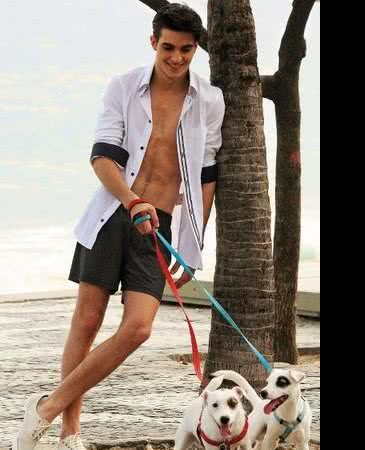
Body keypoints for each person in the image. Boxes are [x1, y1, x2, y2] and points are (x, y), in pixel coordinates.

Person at [14, 4, 224, 450]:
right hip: (114, 211)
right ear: (153, 43)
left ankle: (45, 409)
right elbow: (102, 156)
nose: (175, 58)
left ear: (195, 49)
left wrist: (194, 245)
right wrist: (132, 201)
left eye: (186, 50)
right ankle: (70, 433)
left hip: (162, 227)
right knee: (87, 321)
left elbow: (207, 177)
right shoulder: (124, 87)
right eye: (168, 47)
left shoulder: (210, 101)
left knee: (139, 329)